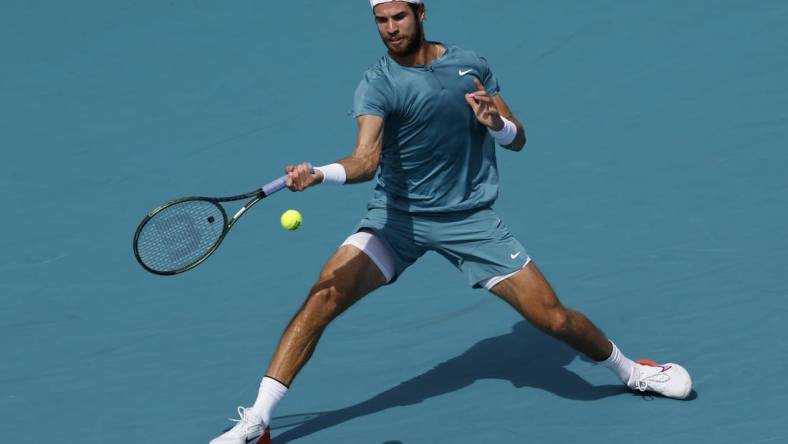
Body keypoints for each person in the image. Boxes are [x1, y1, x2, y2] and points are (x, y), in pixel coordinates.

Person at [210, 1, 692, 442]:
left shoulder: (471, 65)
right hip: (396, 220)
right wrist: (319, 175)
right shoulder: (377, 83)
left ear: (421, 12)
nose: (390, 29)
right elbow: (365, 161)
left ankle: (634, 372)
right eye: (381, 20)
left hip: (469, 220)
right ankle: (258, 420)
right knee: (323, 296)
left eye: (399, 17)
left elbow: (517, 138)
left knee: (553, 317)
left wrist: (495, 124)